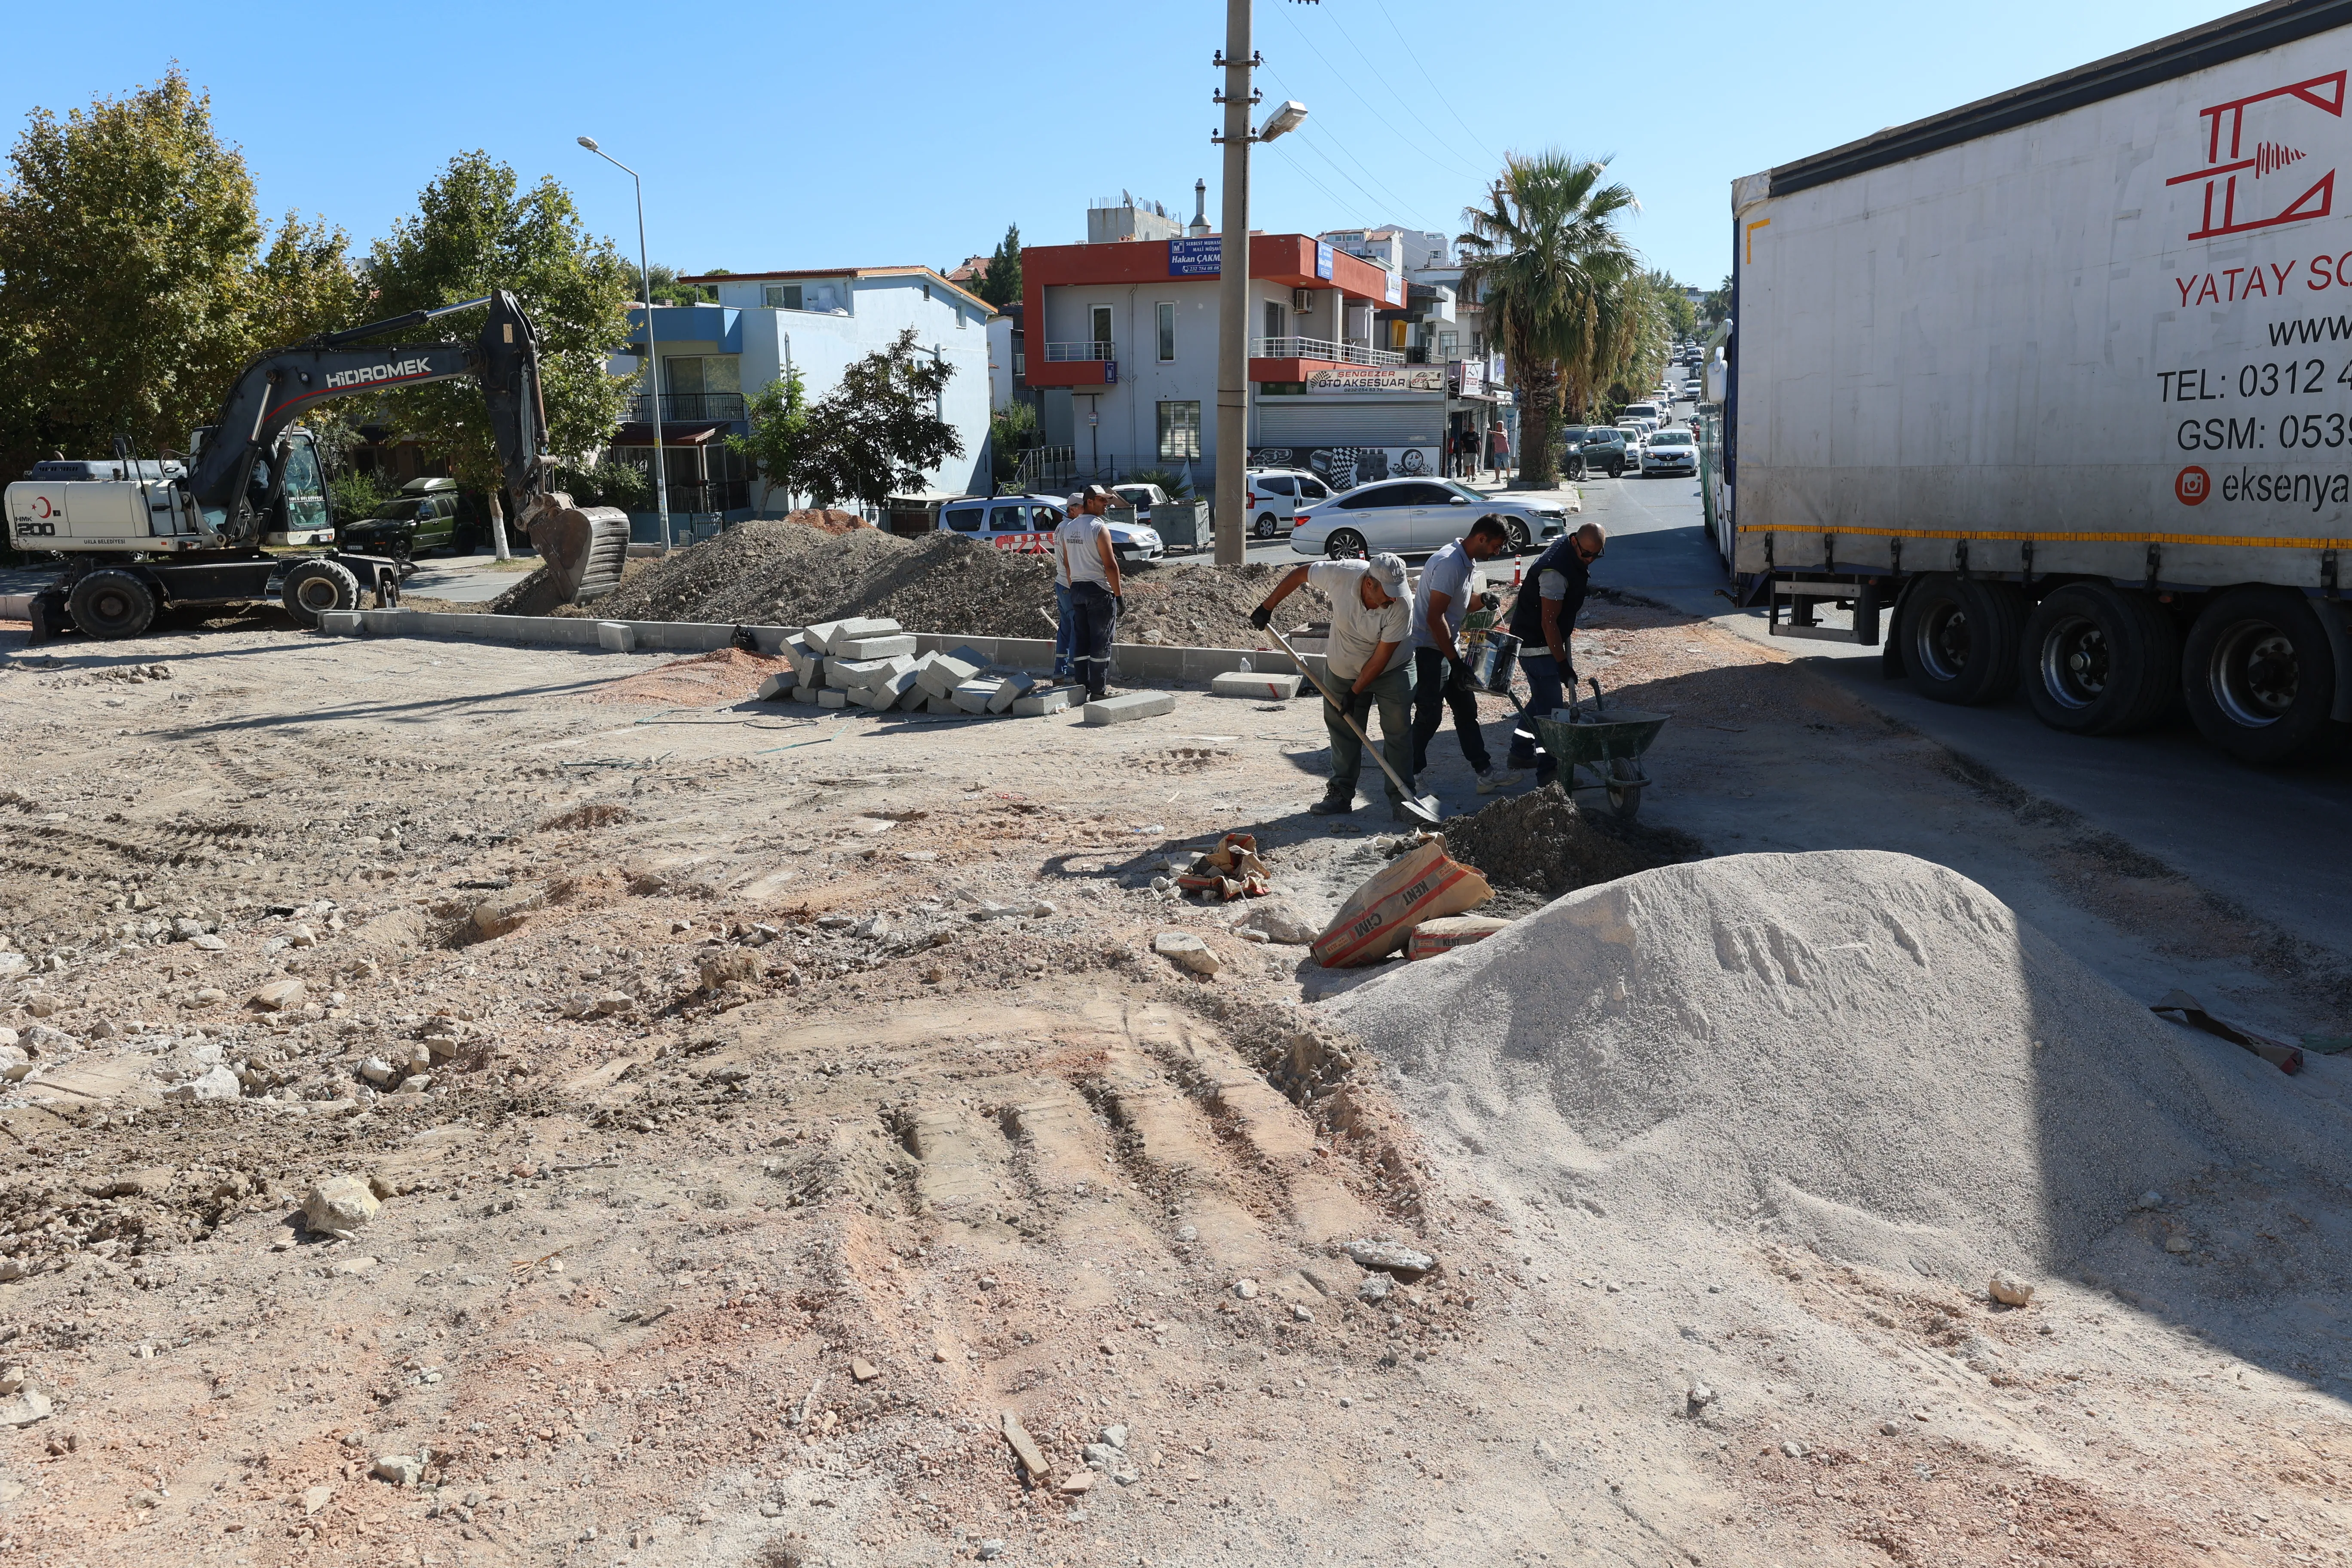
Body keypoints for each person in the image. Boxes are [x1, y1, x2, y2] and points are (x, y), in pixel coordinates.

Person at [1250, 551, 1416, 820]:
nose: (1394, 598)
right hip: (1343, 668)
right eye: (1388, 592)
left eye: (1398, 592)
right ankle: (1340, 793)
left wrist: (1354, 692)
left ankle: (1403, 798)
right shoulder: (1342, 574)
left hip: (1392, 669)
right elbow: (1300, 573)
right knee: (1343, 730)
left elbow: (1381, 659)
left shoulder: (1402, 605)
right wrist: (1267, 607)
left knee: (1398, 729)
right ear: (1369, 584)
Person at [1409, 515, 1523, 794]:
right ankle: (1407, 777)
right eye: (1496, 546)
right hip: (1429, 651)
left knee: (1466, 712)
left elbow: (1457, 606)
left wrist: (1482, 600)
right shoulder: (1449, 564)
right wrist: (1456, 662)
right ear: (1481, 538)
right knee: (1429, 718)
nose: (1497, 552)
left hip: (1447, 650)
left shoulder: (1466, 562)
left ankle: (1485, 774)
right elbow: (1435, 619)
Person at [1505, 521, 1606, 784]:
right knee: (1552, 713)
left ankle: (1520, 752)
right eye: (1587, 555)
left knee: (1542, 701)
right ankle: (1551, 775)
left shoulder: (1570, 552)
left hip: (1541, 641)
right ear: (1575, 543)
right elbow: (1548, 622)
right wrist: (1562, 663)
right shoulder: (1555, 571)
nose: (1590, 560)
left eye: (1596, 555)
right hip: (1537, 645)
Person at [1057, 486, 1123, 700]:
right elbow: (1111, 565)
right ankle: (1098, 691)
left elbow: (1067, 563)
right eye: (1102, 500)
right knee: (1100, 642)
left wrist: (1075, 584)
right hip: (1098, 591)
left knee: (1082, 641)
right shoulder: (1098, 527)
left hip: (1076, 588)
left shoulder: (1069, 527)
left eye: (1106, 500)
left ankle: (1081, 688)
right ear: (1089, 502)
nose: (1106, 504)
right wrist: (1119, 596)